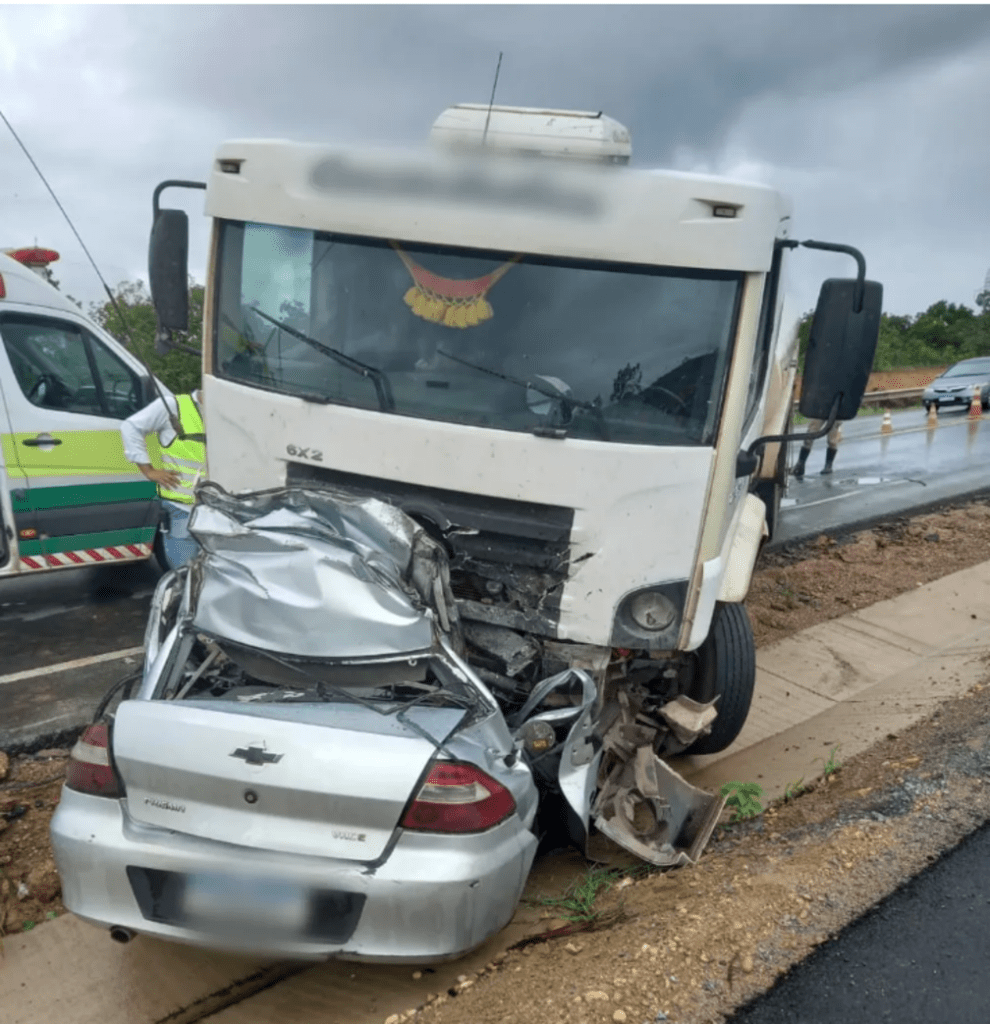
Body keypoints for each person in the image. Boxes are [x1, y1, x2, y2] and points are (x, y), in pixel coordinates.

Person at [121, 389, 206, 569]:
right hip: (183, 508)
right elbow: (130, 427)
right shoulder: (174, 406)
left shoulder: (226, 412)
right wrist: (148, 470)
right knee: (185, 574)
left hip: (217, 510)